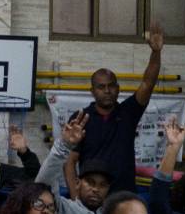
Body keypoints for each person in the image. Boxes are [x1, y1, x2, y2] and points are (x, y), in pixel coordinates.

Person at [63, 23, 165, 195]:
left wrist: (156, 53)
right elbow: (70, 162)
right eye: (101, 87)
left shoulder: (128, 112)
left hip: (124, 197)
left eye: (111, 86)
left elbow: (148, 83)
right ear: (92, 91)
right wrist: (75, 199)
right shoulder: (81, 118)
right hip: (91, 201)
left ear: (118, 89)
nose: (107, 91)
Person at [36, 111, 112, 214]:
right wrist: (64, 145)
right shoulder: (64, 208)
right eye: (90, 182)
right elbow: (43, 184)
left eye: (102, 185)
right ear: (77, 183)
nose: (96, 189)